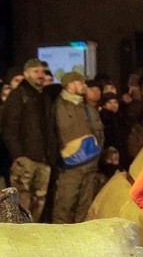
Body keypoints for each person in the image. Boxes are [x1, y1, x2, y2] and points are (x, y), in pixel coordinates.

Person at [1, 58, 57, 220]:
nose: (40, 75)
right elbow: (10, 127)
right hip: (26, 160)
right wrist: (18, 154)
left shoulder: (44, 97)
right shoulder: (19, 95)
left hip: (43, 160)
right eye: (35, 71)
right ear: (26, 74)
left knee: (38, 205)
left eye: (42, 71)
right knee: (22, 204)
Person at [52, 71, 105, 223]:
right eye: (81, 82)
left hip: (90, 165)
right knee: (65, 205)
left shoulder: (88, 108)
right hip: (69, 167)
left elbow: (99, 133)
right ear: (70, 85)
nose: (84, 86)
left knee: (85, 207)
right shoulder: (57, 107)